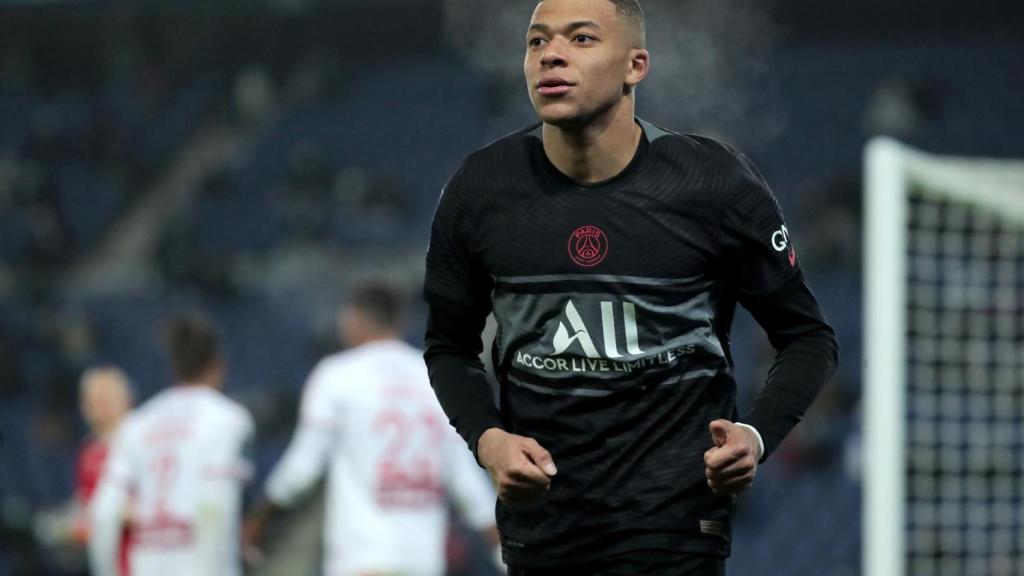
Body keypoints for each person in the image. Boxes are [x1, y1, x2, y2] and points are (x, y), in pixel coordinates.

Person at [422, 0, 840, 574]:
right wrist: (488, 440)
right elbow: (448, 347)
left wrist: (756, 434)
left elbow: (808, 338)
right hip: (543, 526)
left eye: (581, 38)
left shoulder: (713, 184)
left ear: (635, 66)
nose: (551, 55)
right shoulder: (479, 189)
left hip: (675, 526)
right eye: (537, 41)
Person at [245, 280, 499, 576]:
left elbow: (303, 468)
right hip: (422, 562)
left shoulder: (337, 375)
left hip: (363, 559)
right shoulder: (436, 379)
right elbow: (467, 483)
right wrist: (501, 547)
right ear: (400, 322)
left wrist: (257, 521)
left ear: (352, 319)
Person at [89, 313, 254, 576]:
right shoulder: (228, 420)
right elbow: (217, 504)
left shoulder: (139, 424)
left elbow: (104, 512)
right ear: (219, 365)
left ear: (173, 367)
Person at [74, 366, 135, 575]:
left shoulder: (144, 443)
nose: (100, 410)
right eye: (93, 402)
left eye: (106, 401)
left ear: (126, 399)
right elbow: (86, 504)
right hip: (107, 561)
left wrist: (113, 512)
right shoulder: (88, 453)